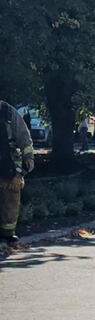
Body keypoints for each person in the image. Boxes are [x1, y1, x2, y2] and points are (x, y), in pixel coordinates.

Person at [0, 100, 34, 244]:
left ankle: (8, 233)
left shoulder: (7, 111)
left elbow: (23, 135)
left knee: (11, 199)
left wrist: (29, 157)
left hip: (9, 164)